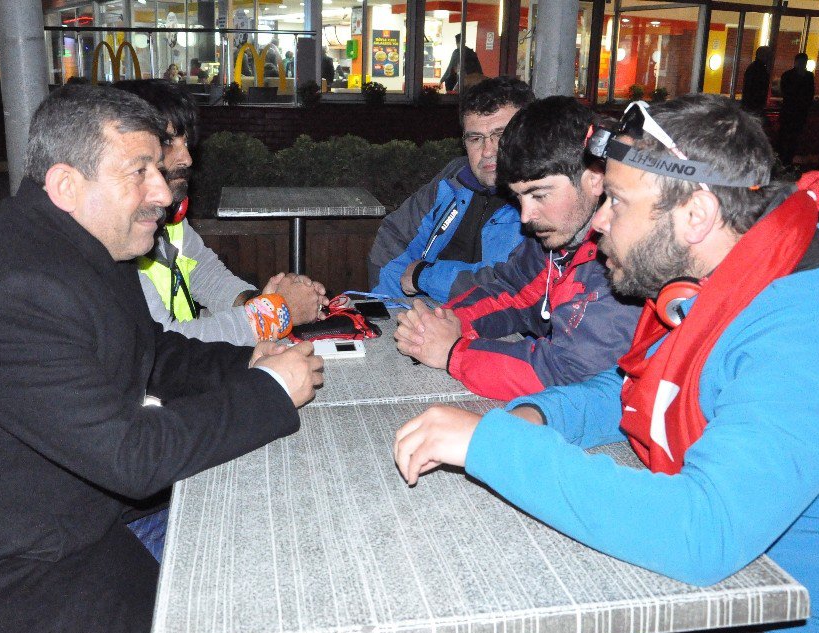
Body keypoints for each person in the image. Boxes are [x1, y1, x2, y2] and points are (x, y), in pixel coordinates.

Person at [393, 94, 819, 633]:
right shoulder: (713, 284)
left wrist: (491, 445)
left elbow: (704, 530)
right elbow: (637, 391)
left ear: (695, 214)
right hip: (703, 605)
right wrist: (542, 415)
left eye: (618, 202)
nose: (598, 220)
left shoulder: (815, 330)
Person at [0, 84, 324, 633]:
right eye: (140, 172)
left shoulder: (81, 245)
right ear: (67, 185)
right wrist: (267, 391)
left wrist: (246, 360)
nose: (163, 192)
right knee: (235, 632)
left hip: (60, 531)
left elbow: (154, 355)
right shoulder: (19, 289)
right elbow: (131, 458)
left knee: (271, 558)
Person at [393, 96, 641, 400]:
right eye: (519, 197)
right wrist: (451, 321)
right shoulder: (559, 238)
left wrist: (453, 352)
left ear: (595, 179)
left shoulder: (624, 259)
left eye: (539, 195)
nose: (526, 216)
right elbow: (513, 292)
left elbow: (568, 372)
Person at [114, 79, 328, 346]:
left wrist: (262, 301)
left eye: (187, 141)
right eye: (168, 141)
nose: (187, 159)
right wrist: (275, 313)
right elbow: (163, 345)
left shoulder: (169, 221)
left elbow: (208, 278)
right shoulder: (114, 236)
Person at [368, 76, 535, 303]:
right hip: (424, 322)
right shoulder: (453, 179)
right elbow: (392, 241)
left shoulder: (543, 198)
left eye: (500, 135)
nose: (487, 150)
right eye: (475, 138)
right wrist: (396, 312)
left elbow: (509, 285)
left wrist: (422, 276)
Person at [777, 53, 814, 170]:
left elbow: (809, 93)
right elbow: (786, 92)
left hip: (796, 111)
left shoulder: (804, 76)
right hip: (792, 111)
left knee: (793, 137)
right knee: (785, 136)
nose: (803, 65)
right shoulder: (793, 76)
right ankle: (783, 159)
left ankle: (786, 160)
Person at [740, 46, 770, 115]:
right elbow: (756, 88)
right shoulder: (759, 69)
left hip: (751, 103)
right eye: (767, 55)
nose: (769, 58)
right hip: (754, 104)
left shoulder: (754, 67)